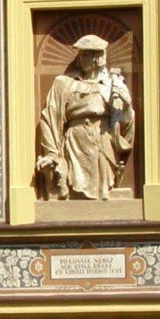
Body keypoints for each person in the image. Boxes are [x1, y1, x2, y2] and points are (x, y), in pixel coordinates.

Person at [37, 34, 135, 200]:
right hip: (76, 142)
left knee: (102, 191)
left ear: (98, 58)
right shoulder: (64, 83)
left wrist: (125, 105)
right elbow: (49, 118)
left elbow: (125, 122)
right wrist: (52, 153)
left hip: (103, 140)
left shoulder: (113, 85)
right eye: (81, 55)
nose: (81, 59)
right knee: (77, 186)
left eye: (86, 55)